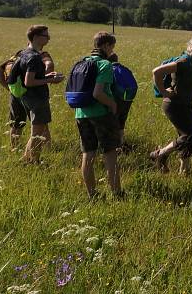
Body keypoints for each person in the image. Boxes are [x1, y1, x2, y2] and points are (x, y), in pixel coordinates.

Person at [150, 32, 192, 175]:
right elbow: (157, 72)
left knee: (187, 140)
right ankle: (159, 154)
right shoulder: (184, 61)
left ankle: (184, 171)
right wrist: (164, 92)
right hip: (174, 105)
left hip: (187, 104)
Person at [74, 32, 123, 199]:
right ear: (106, 46)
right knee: (110, 153)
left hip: (81, 113)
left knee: (88, 153)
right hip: (101, 114)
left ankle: (92, 194)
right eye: (112, 46)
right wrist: (113, 104)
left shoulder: (81, 62)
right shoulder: (104, 65)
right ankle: (117, 193)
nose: (112, 50)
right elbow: (97, 93)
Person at [11, 25, 64, 164]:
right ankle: (30, 161)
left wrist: (47, 75)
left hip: (27, 97)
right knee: (37, 133)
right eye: (45, 35)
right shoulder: (34, 57)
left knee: (37, 132)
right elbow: (29, 81)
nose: (49, 38)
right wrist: (52, 79)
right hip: (36, 99)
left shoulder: (24, 53)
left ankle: (29, 160)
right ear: (35, 37)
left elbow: (29, 77)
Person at [0, 49, 53, 150]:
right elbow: (49, 65)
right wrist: (44, 78)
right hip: (32, 93)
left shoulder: (18, 55)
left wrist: (9, 88)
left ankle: (14, 148)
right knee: (41, 124)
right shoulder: (40, 55)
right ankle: (48, 149)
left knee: (16, 124)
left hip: (16, 93)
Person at [107, 52, 133, 153]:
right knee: (122, 123)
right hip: (127, 99)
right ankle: (122, 143)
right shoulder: (125, 69)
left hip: (115, 100)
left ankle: (115, 147)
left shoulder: (109, 70)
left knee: (113, 122)